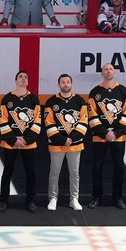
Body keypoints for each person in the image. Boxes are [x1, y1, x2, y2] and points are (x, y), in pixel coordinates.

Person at [88, 63, 126, 209]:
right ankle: (96, 197)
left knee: (118, 168)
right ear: (102, 73)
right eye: (105, 69)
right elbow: (92, 116)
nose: (108, 71)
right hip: (99, 137)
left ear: (115, 72)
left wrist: (115, 133)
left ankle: (117, 197)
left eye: (111, 69)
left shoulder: (123, 91)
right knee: (96, 168)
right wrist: (105, 133)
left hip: (118, 137)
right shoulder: (95, 92)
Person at [0, 70, 41, 212]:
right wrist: (13, 140)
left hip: (28, 144)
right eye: (20, 77)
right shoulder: (7, 99)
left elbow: (37, 122)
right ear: (16, 81)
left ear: (28, 82)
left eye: (25, 77)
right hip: (10, 143)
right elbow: (3, 121)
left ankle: (31, 201)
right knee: (7, 172)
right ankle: (3, 200)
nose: (23, 79)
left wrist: (26, 140)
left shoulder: (33, 99)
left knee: (30, 173)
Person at [45, 73, 89, 211]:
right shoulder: (51, 101)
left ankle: (74, 199)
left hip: (75, 145)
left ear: (71, 84)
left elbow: (84, 122)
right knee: (54, 172)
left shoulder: (80, 101)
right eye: (63, 82)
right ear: (58, 85)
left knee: (74, 173)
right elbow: (49, 123)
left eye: (68, 82)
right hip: (56, 144)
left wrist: (72, 138)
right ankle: (53, 198)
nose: (65, 84)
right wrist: (62, 139)